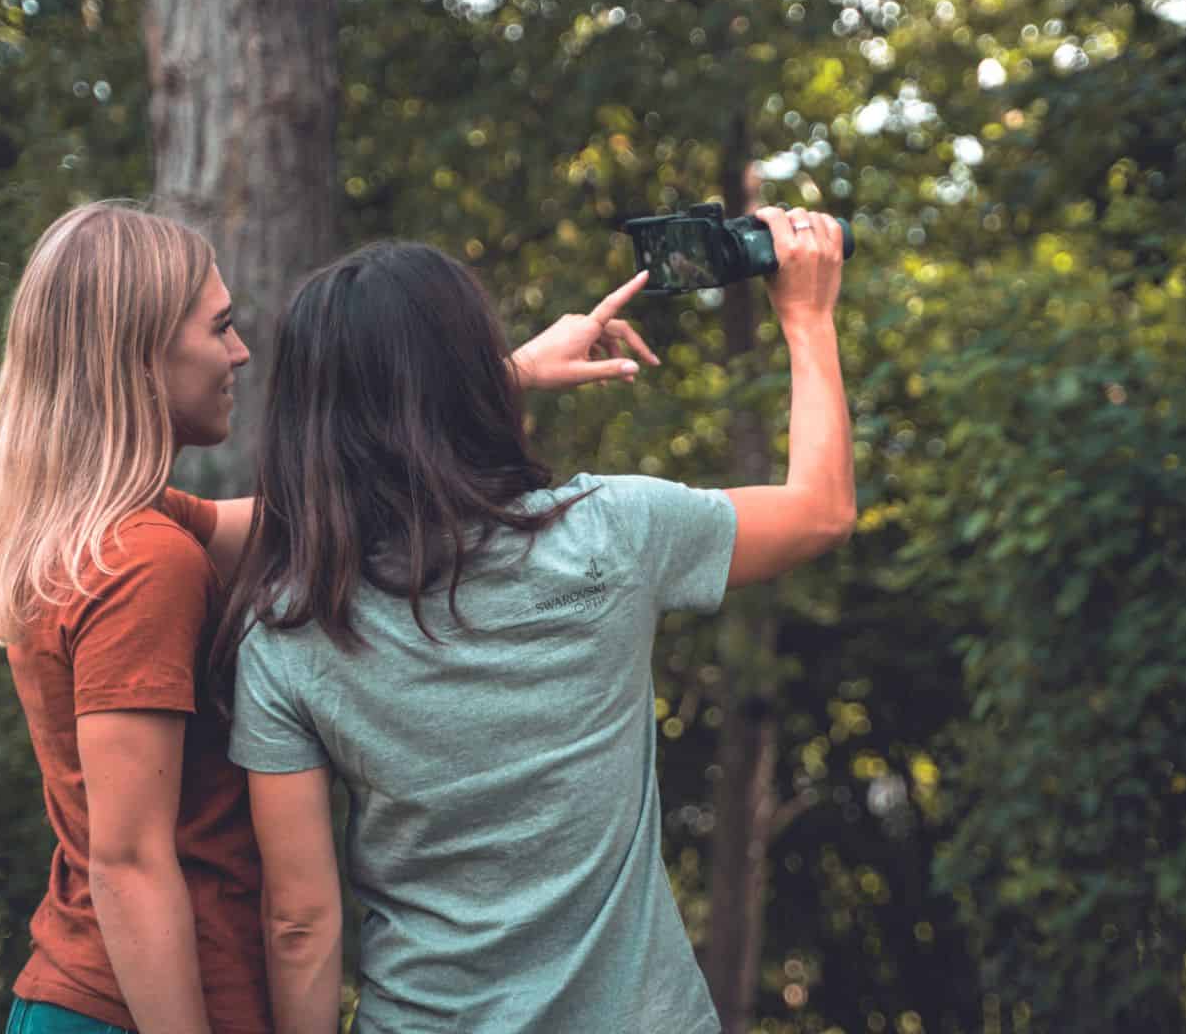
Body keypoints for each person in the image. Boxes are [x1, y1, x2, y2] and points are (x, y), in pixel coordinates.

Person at [0, 201, 660, 1034]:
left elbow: (328, 501)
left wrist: (483, 379)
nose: (241, 352)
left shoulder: (104, 535)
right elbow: (130, 864)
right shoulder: (142, 564)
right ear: (140, 357)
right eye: (219, 328)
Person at [220, 206, 854, 1033]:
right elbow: (820, 510)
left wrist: (489, 378)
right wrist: (807, 318)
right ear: (473, 378)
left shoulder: (288, 634)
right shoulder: (609, 535)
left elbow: (300, 925)